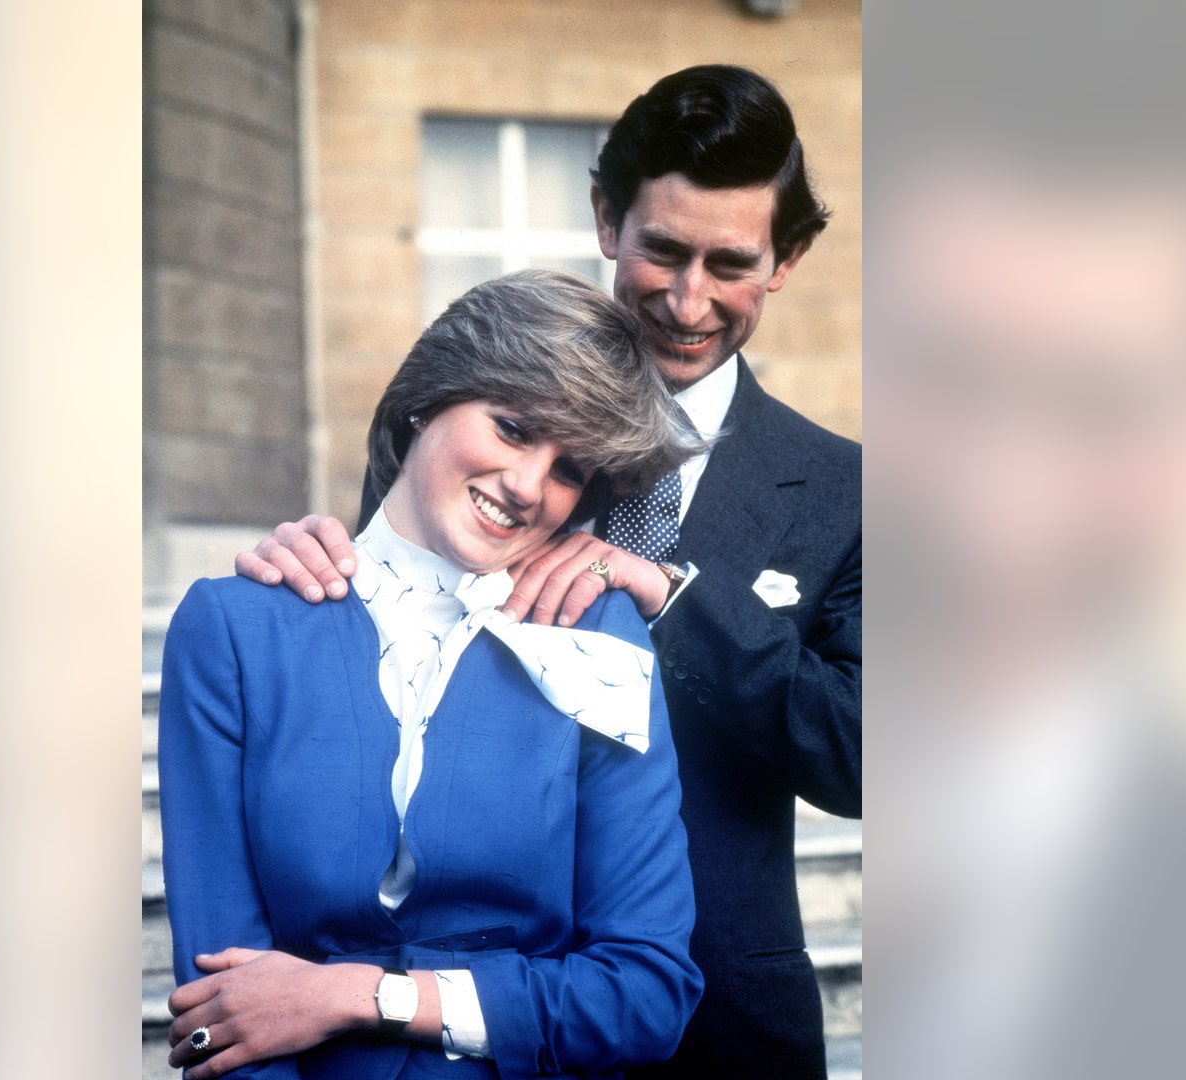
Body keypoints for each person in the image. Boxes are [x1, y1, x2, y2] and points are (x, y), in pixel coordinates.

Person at [237, 66, 860, 1077]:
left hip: (730, 1028)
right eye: (661, 250)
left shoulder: (846, 491)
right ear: (607, 219)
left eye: (729, 263)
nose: (688, 299)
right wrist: (309, 573)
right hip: (480, 1021)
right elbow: (383, 663)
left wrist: (672, 598)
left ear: (786, 260)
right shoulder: (478, 430)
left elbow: (866, 754)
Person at [160, 270, 705, 1080]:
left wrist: (360, 995)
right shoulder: (235, 630)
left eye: (568, 470)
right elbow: (220, 1007)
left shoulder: (598, 634)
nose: (528, 488)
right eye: (514, 428)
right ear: (427, 399)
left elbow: (644, 993)